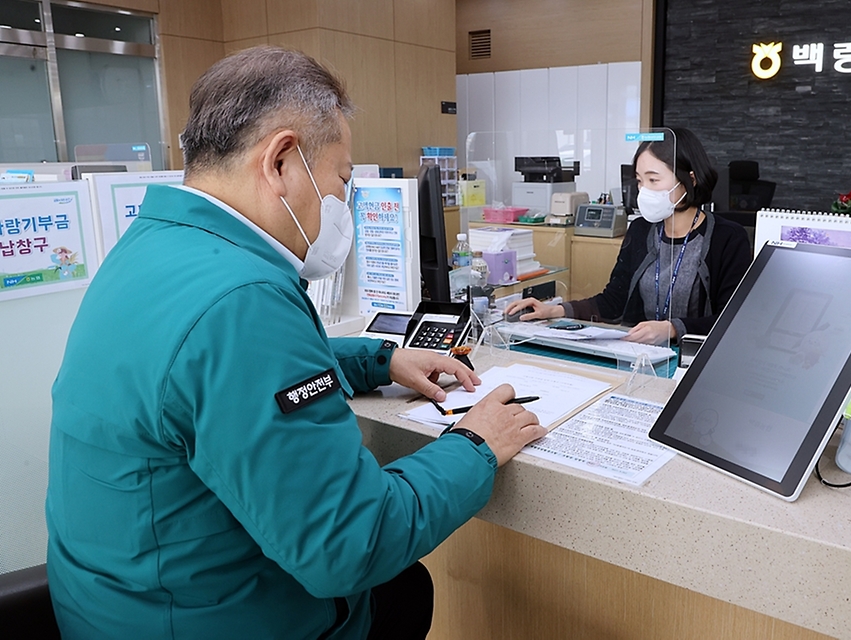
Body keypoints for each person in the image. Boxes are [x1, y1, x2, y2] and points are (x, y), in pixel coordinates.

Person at [45, 46, 547, 640]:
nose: (343, 202)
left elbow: (209, 378)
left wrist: (378, 358)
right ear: (282, 161)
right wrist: (475, 444)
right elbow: (351, 545)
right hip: (206, 618)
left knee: (406, 592)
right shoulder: (242, 301)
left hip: (118, 603)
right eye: (341, 178)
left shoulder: (156, 248)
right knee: (399, 584)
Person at [505, 128, 752, 345]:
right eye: (639, 180)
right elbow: (614, 300)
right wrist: (555, 310)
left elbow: (733, 320)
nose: (644, 190)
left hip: (696, 360)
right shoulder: (641, 229)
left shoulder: (728, 238)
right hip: (640, 355)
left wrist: (673, 329)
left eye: (654, 180)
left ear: (690, 179)